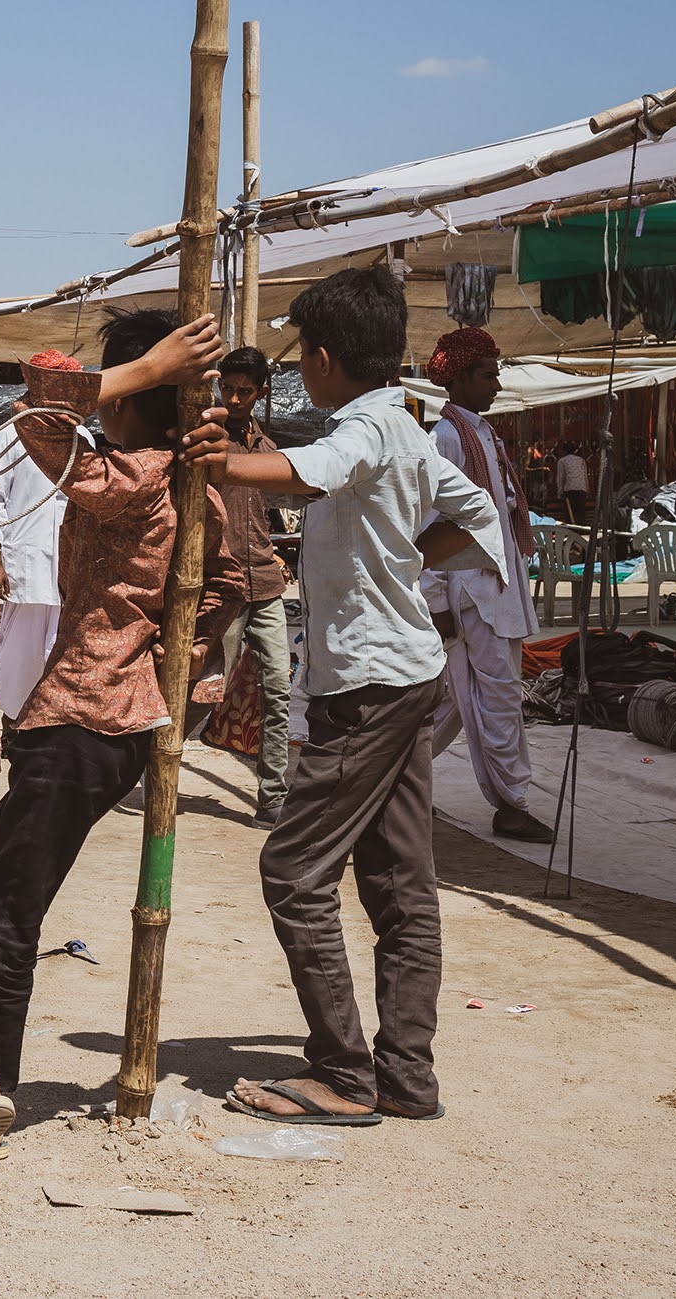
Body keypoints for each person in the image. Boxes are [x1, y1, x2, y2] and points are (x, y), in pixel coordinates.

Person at [0, 309, 228, 1186]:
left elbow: (40, 406)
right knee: (7, 902)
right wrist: (169, 649)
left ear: (134, 399)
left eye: (122, 390)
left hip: (83, 718)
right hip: (105, 724)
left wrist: (135, 369)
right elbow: (236, 580)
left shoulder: (133, 475)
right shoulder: (193, 483)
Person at [190, 264, 505, 1128]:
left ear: (324, 358)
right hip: (401, 674)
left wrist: (231, 461)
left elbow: (317, 468)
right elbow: (476, 515)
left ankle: (345, 1070)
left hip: (368, 685)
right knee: (402, 883)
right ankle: (407, 1073)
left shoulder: (365, 428)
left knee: (292, 872)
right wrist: (404, 558)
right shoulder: (408, 426)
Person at [419, 329, 554, 844]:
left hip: (494, 587)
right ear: (458, 378)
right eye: (487, 374)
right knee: (497, 697)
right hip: (471, 590)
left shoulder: (483, 435)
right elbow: (431, 523)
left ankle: (392, 781)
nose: (496, 384)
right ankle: (512, 804)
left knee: (455, 699)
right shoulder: (447, 438)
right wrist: (435, 600)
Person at [214, 346, 297, 825]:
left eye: (246, 390)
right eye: (229, 388)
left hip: (265, 582)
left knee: (277, 692)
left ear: (261, 392)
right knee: (207, 687)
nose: (236, 397)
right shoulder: (209, 438)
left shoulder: (267, 447)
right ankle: (159, 769)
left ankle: (272, 799)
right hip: (221, 583)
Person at [0, 411, 67, 731]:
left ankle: (50, 739)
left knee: (59, 662)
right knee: (20, 665)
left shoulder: (81, 440)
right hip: (26, 569)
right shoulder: (11, 436)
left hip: (66, 571)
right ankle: (15, 735)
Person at [554, 441, 590, 526]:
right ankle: (582, 529)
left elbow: (560, 478)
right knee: (580, 512)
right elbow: (585, 476)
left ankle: (573, 531)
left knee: (571, 514)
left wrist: (560, 493)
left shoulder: (562, 461)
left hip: (570, 489)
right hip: (582, 489)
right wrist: (587, 490)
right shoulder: (581, 460)